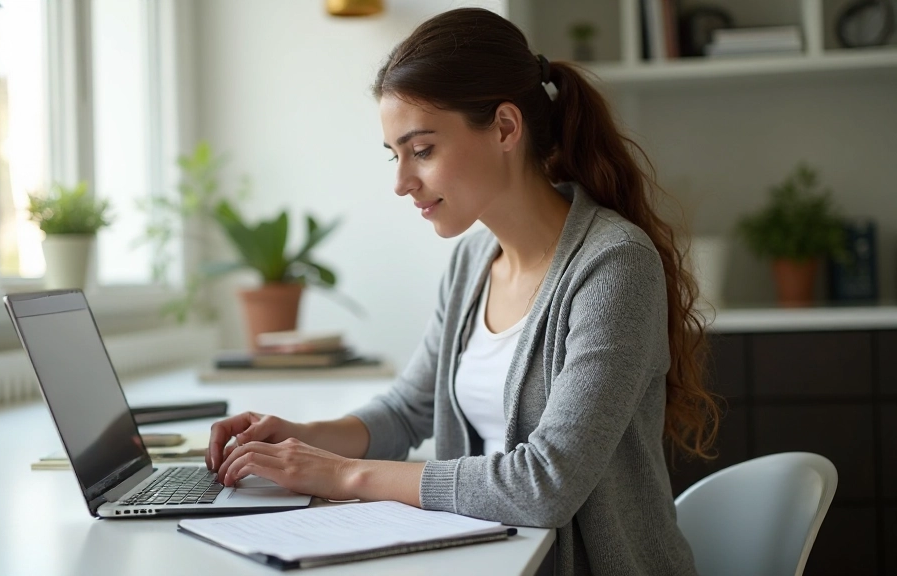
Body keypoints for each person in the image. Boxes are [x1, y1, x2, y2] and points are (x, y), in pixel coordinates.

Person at [206, 7, 720, 575]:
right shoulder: (472, 261)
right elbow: (408, 409)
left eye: (421, 150)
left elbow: (544, 484)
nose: (401, 183)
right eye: (394, 155)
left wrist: (339, 473)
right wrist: (298, 438)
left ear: (505, 127)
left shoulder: (613, 266)